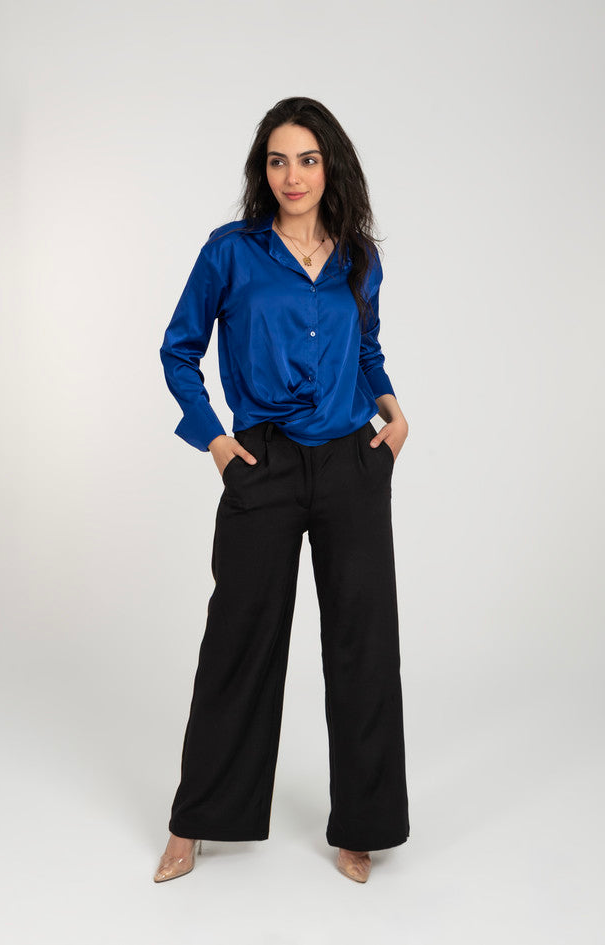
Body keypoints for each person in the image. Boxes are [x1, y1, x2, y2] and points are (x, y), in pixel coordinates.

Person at [154, 96, 410, 885]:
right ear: (261, 170)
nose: (292, 175)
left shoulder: (358, 257)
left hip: (350, 462)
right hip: (261, 461)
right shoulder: (231, 252)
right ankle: (194, 820)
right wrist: (216, 441)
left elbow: (366, 348)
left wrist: (394, 413)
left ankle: (361, 826)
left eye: (306, 159)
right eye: (277, 160)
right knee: (237, 639)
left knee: (364, 646)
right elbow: (179, 349)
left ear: (330, 166)